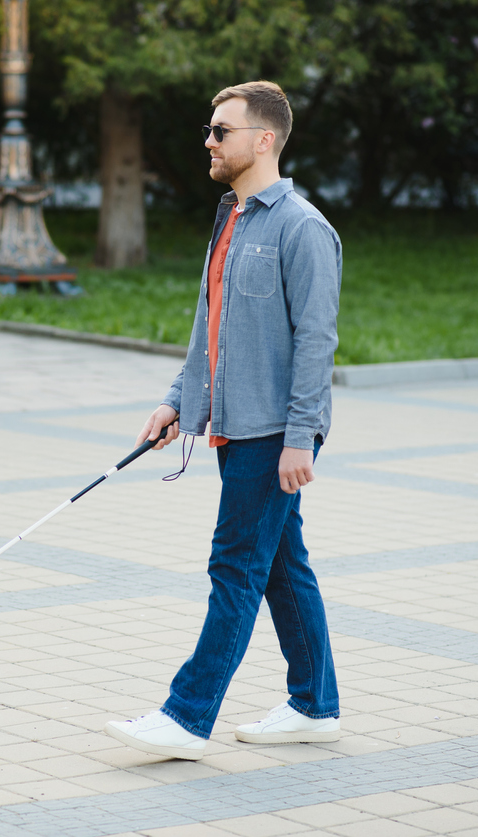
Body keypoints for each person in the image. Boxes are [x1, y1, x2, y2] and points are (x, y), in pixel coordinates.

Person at [105, 80, 342, 761]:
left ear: (262, 139)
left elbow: (316, 343)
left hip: (272, 432)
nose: (208, 141)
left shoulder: (302, 228)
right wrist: (178, 398)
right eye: (210, 131)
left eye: (220, 130)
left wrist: (302, 435)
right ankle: (315, 703)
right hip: (233, 425)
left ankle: (186, 714)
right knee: (280, 565)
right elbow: (211, 324)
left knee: (234, 566)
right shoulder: (232, 219)